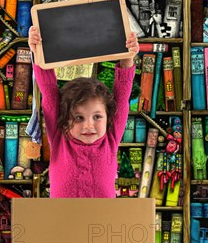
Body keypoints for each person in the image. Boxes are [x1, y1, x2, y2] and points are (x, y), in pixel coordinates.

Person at [28, 26, 139, 198]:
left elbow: (123, 95)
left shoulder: (111, 137)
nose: (88, 125)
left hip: (104, 224)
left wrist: (128, 58)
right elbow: (49, 90)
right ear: (64, 119)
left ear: (109, 117)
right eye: (78, 117)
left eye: (97, 117)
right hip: (63, 222)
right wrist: (37, 52)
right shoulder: (59, 136)